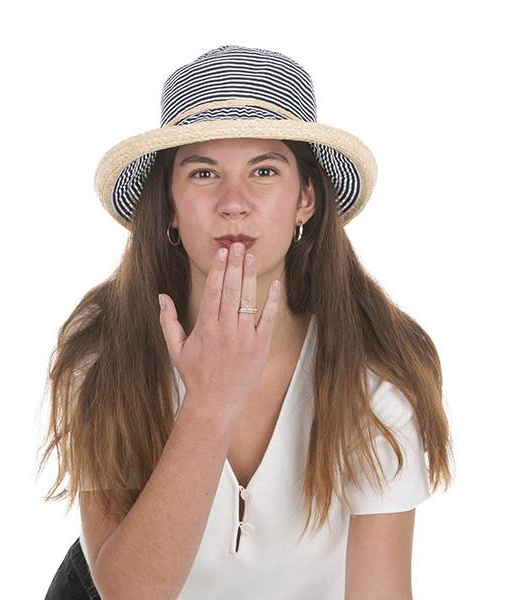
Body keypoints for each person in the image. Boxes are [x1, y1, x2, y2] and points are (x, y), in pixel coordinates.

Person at [40, 45, 452, 600]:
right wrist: (210, 402)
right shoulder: (102, 347)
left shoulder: (377, 372)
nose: (233, 203)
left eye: (264, 170)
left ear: (306, 199)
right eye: (203, 172)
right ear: (168, 205)